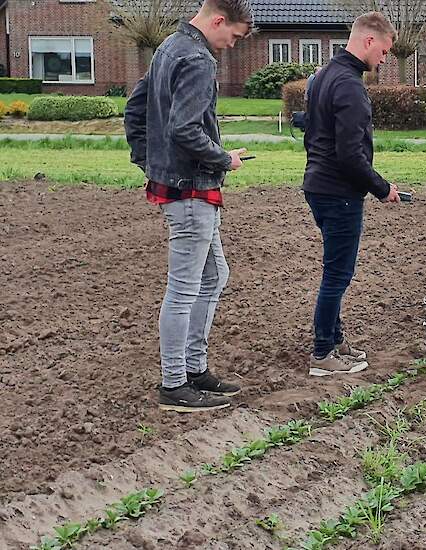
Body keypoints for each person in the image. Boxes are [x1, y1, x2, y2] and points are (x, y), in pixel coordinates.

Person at [124, 0, 253, 412]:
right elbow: (185, 130)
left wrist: (149, 162)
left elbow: (135, 112)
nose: (230, 46)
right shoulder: (197, 58)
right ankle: (174, 383)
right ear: (218, 20)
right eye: (232, 36)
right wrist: (223, 158)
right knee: (183, 288)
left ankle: (195, 370)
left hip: (179, 184)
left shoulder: (168, 48)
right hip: (192, 190)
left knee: (215, 274)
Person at [303, 11, 400, 377]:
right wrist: (381, 187)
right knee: (337, 275)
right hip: (339, 192)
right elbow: (350, 155)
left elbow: (313, 137)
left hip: (318, 185)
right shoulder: (350, 86)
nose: (385, 59)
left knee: (335, 271)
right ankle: (323, 353)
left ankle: (335, 337)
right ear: (369, 40)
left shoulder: (323, 77)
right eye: (386, 51)